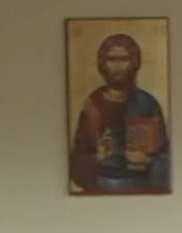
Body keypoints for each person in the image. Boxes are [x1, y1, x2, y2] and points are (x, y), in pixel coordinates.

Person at [69, 33, 171, 194]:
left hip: (142, 186)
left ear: (134, 62)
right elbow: (76, 161)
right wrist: (97, 156)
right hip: (101, 186)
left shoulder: (147, 104)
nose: (117, 66)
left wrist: (148, 160)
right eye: (111, 59)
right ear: (103, 63)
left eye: (123, 59)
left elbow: (168, 158)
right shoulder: (93, 105)